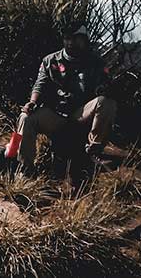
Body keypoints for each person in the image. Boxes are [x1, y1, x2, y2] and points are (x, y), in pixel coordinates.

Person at [16, 23, 117, 174]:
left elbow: (104, 86)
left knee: (107, 103)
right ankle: (25, 168)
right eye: (68, 38)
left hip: (80, 114)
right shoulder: (50, 61)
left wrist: (103, 88)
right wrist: (32, 102)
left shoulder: (95, 63)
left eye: (76, 39)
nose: (71, 43)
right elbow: (40, 84)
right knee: (26, 118)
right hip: (55, 114)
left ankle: (93, 151)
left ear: (84, 40)